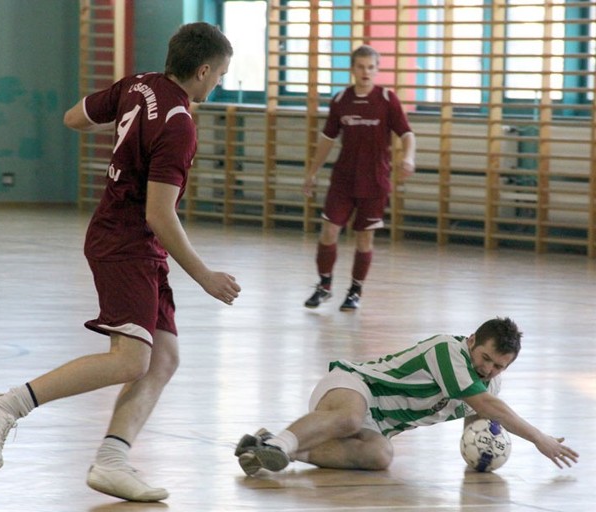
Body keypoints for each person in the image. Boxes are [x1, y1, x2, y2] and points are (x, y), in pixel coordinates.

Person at [0, 22, 240, 502]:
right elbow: (159, 214)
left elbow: (73, 119)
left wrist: (129, 129)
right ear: (203, 70)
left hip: (129, 240)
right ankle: (8, 404)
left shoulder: (138, 84)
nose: (217, 83)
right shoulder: (180, 125)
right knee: (130, 359)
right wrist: (205, 276)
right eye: (220, 74)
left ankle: (112, 461)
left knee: (162, 359)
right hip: (126, 242)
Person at [235, 317, 579, 475]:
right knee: (350, 418)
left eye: (499, 367)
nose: (488, 370)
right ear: (472, 340)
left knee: (381, 456)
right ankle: (282, 443)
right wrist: (538, 438)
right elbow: (486, 406)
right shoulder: (448, 350)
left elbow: (479, 420)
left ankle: (269, 447)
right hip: (355, 386)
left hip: (379, 426)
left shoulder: (488, 386)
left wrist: (483, 457)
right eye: (486, 359)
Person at [303, 45, 416, 311]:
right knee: (329, 231)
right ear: (352, 69)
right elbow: (327, 139)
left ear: (377, 70)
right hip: (343, 179)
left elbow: (407, 133)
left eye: (371, 67)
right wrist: (311, 172)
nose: (366, 72)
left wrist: (409, 157)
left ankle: (355, 290)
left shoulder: (387, 99)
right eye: (361, 67)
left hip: (375, 181)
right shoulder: (341, 99)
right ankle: (324, 285)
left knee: (364, 239)